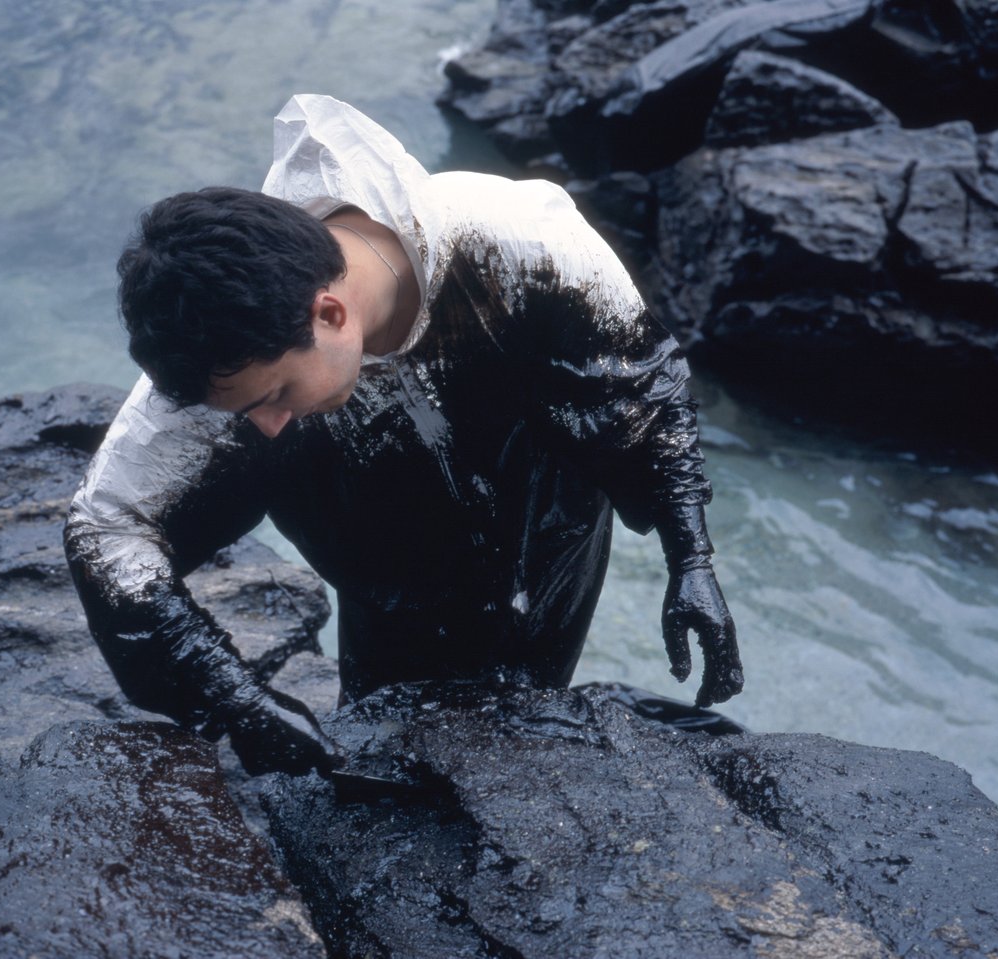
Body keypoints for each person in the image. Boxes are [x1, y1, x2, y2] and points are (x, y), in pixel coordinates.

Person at [65, 94, 742, 777]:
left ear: (329, 312)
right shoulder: (223, 347)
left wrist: (690, 559)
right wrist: (236, 701)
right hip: (385, 590)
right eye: (246, 412)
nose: (265, 425)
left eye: (275, 397)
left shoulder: (522, 241)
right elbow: (105, 527)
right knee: (386, 762)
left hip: (553, 550)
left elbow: (640, 386)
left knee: (529, 746)